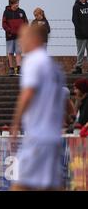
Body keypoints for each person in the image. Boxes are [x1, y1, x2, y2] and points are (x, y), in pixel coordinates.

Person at [11, 24, 66, 191]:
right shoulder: (53, 66)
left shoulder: (33, 61)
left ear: (34, 38)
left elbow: (28, 93)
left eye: (23, 37)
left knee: (20, 185)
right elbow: (62, 98)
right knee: (50, 186)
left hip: (38, 136)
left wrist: (15, 123)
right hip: (52, 136)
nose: (20, 42)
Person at [2, 0, 28, 76]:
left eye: (18, 3)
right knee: (10, 53)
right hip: (9, 36)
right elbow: (4, 24)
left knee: (18, 52)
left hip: (19, 36)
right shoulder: (6, 12)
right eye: (16, 3)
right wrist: (10, 31)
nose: (17, 4)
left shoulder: (21, 12)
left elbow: (26, 23)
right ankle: (11, 68)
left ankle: (19, 68)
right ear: (11, 4)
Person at [71, 0, 88, 74]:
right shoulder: (76, 6)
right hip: (80, 34)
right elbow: (74, 20)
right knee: (80, 51)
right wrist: (81, 30)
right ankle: (79, 67)